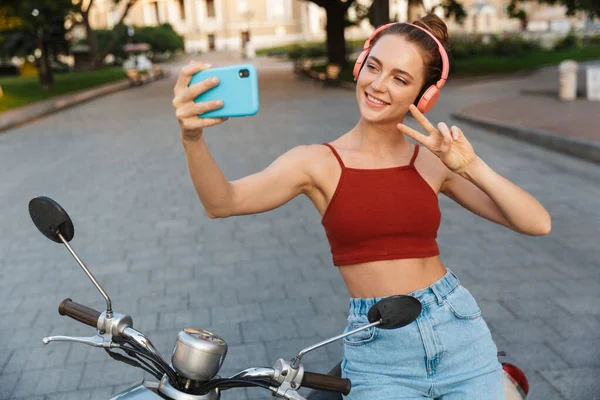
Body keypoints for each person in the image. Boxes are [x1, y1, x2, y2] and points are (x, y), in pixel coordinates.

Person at [172, 14, 551, 400]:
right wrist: (192, 137)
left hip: (458, 332)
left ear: (424, 96)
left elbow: (537, 222)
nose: (378, 85)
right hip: (380, 354)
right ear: (360, 65)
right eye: (374, 67)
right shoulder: (315, 162)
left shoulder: (433, 162)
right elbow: (222, 203)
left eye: (401, 79)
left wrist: (471, 166)